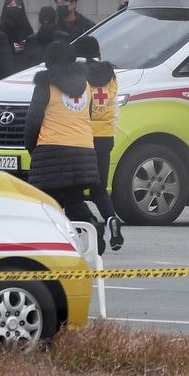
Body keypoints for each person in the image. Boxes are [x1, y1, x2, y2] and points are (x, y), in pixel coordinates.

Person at [25, 41, 103, 248]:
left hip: (52, 150)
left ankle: (50, 244)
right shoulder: (86, 85)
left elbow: (33, 121)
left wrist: (32, 148)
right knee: (74, 199)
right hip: (84, 152)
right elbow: (90, 114)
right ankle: (93, 228)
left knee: (45, 201)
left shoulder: (45, 84)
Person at [77, 36, 124, 251]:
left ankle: (84, 229)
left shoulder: (81, 75)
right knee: (100, 188)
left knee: (76, 191)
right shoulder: (111, 75)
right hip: (106, 137)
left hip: (84, 137)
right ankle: (111, 218)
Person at [0, 0, 34, 67]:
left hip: (24, 64)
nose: (14, 8)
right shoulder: (1, 26)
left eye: (18, 6)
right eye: (11, 5)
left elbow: (32, 41)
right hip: (7, 64)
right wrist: (11, 47)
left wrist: (25, 44)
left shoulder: (26, 26)